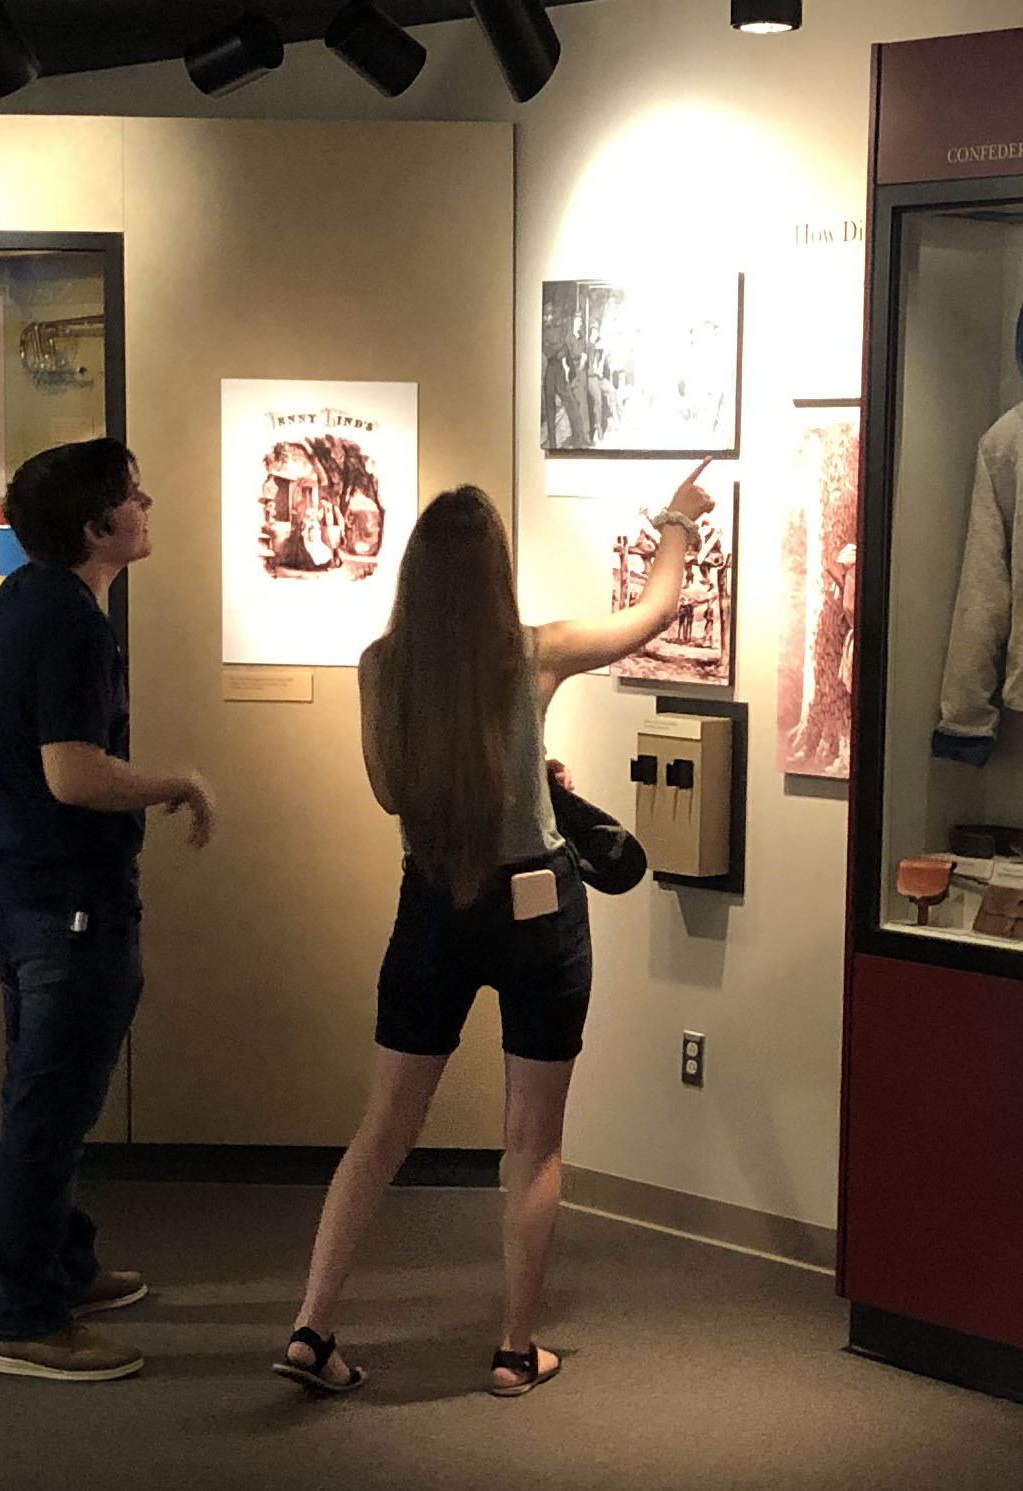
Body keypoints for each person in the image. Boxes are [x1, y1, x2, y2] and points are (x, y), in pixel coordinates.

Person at [278, 461, 714, 1397]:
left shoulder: (380, 667)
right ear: (495, 575)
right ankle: (517, 1351)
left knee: (383, 1129)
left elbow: (391, 791)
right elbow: (653, 614)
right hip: (538, 912)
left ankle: (313, 1328)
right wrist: (676, 520)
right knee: (534, 1143)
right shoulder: (535, 651)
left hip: (434, 901)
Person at [0, 440, 217, 1383]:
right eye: (131, 495)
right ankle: (26, 1318)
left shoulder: (26, 600)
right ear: (96, 526)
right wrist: (180, 782)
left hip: (20, 887)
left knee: (44, 1095)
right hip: (67, 900)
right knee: (52, 1107)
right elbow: (73, 774)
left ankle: (63, 1268)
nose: (147, 503)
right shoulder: (74, 622)